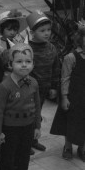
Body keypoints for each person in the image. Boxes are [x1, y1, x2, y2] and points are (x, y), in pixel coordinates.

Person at [0, 44, 41, 170]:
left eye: (28, 61)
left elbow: (37, 105)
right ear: (10, 64)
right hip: (10, 129)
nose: (24, 64)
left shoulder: (33, 83)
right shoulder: (4, 86)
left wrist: (37, 127)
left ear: (33, 64)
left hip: (27, 127)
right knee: (8, 160)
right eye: (19, 61)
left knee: (23, 159)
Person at [26, 11, 59, 153]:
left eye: (48, 30)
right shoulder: (28, 49)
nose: (47, 33)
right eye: (42, 30)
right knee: (28, 115)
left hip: (44, 89)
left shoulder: (51, 48)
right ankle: (25, 142)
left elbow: (56, 68)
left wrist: (54, 86)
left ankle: (34, 139)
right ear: (33, 32)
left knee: (38, 114)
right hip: (29, 90)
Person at [51, 24, 85, 160]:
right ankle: (68, 146)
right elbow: (65, 79)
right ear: (80, 38)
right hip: (74, 96)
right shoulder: (71, 57)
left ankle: (82, 147)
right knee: (69, 122)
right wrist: (64, 97)